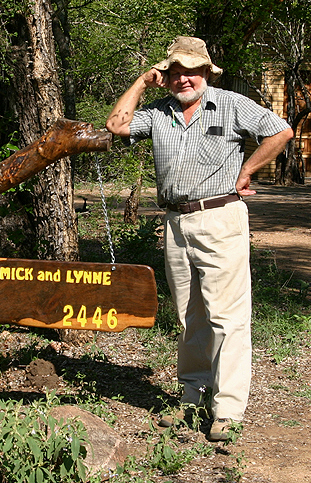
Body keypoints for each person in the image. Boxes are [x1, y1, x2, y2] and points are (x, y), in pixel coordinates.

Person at [105, 36, 294, 441]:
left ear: (206, 72)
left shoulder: (230, 104)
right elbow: (117, 124)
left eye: (191, 70)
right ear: (166, 75)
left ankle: (226, 410)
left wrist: (247, 172)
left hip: (220, 218)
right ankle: (192, 397)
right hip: (176, 223)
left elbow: (280, 132)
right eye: (175, 72)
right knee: (190, 316)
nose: (183, 79)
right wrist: (142, 81)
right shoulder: (158, 113)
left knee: (227, 317)